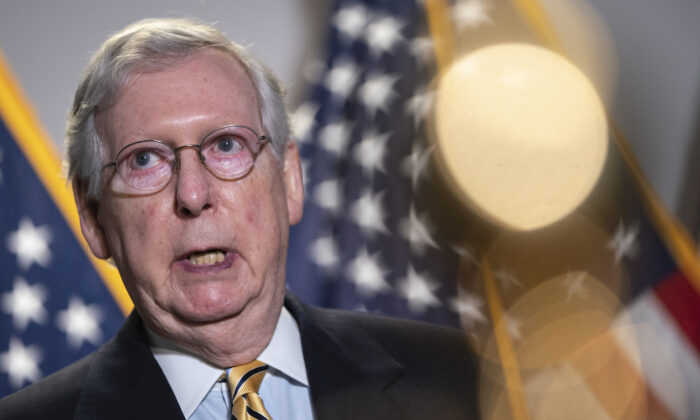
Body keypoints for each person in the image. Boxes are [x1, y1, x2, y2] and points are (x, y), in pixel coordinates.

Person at [0, 18, 479, 419]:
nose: (192, 194)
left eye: (226, 146)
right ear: (93, 218)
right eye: (144, 160)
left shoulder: (467, 381)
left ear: (290, 179)